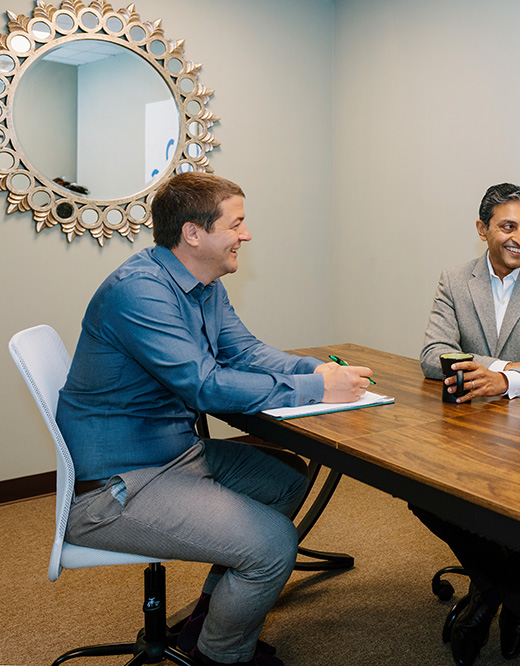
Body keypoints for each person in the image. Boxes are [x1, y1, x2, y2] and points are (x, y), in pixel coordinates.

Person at [56, 172, 373, 666]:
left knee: (285, 477)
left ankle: (205, 624)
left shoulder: (203, 283)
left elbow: (242, 351)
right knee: (273, 547)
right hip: (119, 484)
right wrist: (315, 390)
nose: (246, 235)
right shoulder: (139, 291)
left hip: (172, 451)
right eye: (237, 223)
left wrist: (315, 370)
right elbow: (203, 385)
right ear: (193, 233)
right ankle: (220, 656)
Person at [413, 182, 520, 666]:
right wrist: (515, 366)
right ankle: (504, 594)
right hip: (467, 436)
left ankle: (491, 598)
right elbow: (430, 356)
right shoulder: (454, 279)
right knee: (422, 495)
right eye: (508, 227)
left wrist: (500, 380)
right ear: (482, 229)